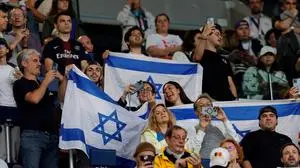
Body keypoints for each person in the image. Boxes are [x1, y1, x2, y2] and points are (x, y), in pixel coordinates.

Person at [13, 49, 63, 168]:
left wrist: (63, 78)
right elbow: (34, 99)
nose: (40, 64)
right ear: (24, 64)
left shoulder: (41, 85)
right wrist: (46, 81)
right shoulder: (20, 83)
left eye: (39, 61)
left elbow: (62, 98)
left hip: (52, 136)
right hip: (32, 136)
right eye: (35, 61)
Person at [187, 94, 241, 165]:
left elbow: (236, 142)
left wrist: (225, 120)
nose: (205, 107)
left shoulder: (221, 126)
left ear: (212, 109)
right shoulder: (191, 128)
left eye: (208, 105)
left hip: (222, 161)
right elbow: (191, 151)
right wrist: (202, 129)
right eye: (201, 106)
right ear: (196, 112)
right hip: (201, 163)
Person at [193, 23, 237, 101]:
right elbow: (197, 58)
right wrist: (203, 36)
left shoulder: (224, 59)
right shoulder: (201, 55)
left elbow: (230, 82)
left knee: (224, 114)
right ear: (207, 35)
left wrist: (235, 99)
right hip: (209, 102)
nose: (220, 37)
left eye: (221, 35)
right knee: (208, 113)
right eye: (217, 34)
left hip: (227, 101)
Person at [0, 38, 22, 164]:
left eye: (2, 46)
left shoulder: (14, 68)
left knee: (14, 146)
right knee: (2, 149)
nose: (0, 49)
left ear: (7, 49)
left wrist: (20, 79)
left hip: (13, 108)